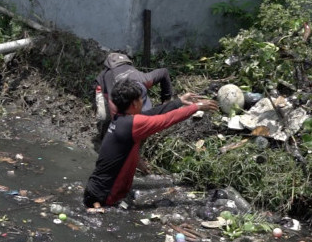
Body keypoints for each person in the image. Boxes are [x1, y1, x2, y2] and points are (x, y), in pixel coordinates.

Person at [84, 78, 219, 208]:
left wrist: (179, 102)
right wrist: (197, 107)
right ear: (135, 104)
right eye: (140, 99)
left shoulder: (121, 120)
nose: (142, 102)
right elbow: (166, 120)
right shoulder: (133, 124)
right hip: (103, 198)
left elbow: (152, 113)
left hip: (95, 191)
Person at [94, 52, 174, 142]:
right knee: (104, 117)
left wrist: (166, 101)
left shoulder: (145, 80)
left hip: (126, 73)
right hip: (103, 86)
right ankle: (101, 140)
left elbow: (164, 72)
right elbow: (117, 123)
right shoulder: (115, 98)